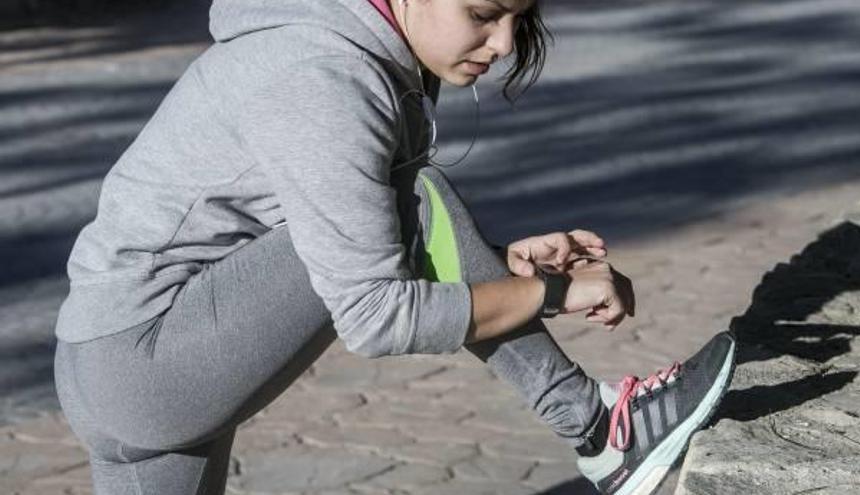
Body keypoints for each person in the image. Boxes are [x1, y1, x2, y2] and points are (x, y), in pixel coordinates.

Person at [51, 0, 736, 493]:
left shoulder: (337, 45)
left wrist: (502, 266)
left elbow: (346, 241)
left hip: (115, 356)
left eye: (519, 21)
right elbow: (376, 313)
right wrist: (552, 291)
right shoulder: (324, 74)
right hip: (148, 356)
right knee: (406, 196)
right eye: (482, 13)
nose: (503, 44)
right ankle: (600, 431)